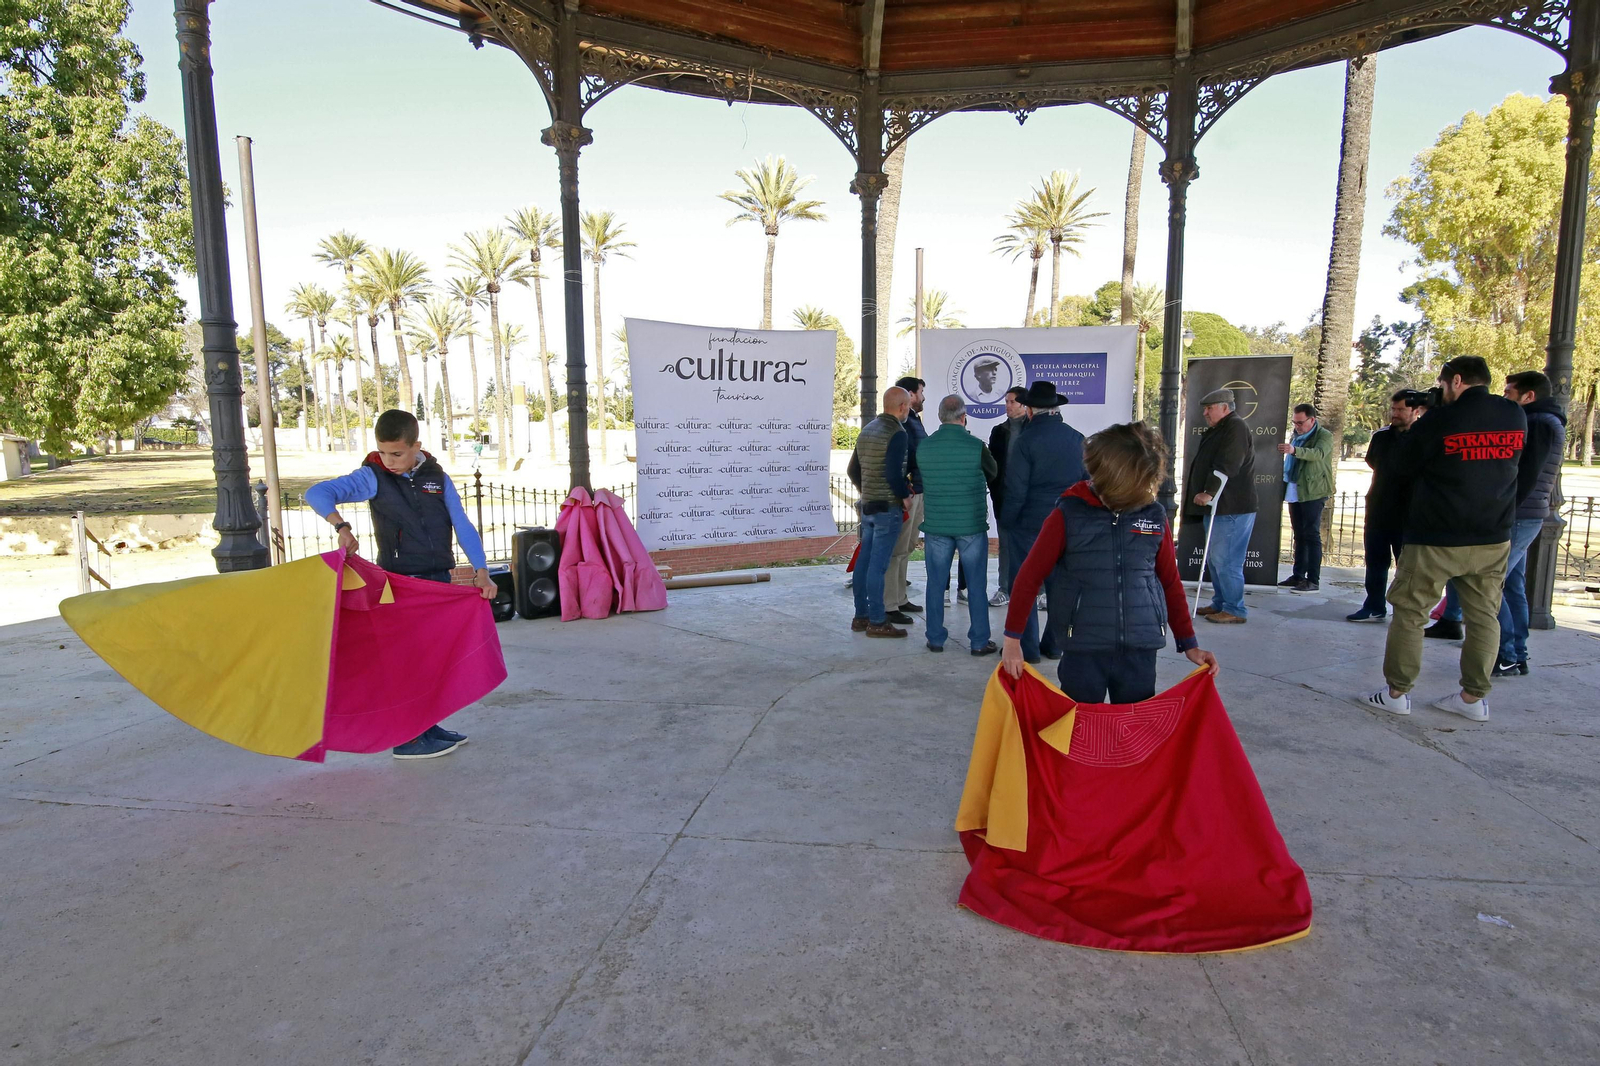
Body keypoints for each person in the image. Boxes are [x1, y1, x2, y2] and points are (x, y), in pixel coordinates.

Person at [305, 408, 496, 760]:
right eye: (383, 452)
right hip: (400, 583)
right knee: (410, 662)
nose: (389, 460)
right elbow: (317, 493)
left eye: (397, 453)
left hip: (437, 581)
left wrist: (481, 569)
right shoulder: (372, 476)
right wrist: (340, 526)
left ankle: (426, 725)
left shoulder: (436, 475)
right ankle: (406, 739)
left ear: (416, 446)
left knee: (433, 659)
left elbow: (461, 522)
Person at [1001, 422, 1219, 701]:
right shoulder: (1067, 514)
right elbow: (1028, 578)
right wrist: (1012, 640)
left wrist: (1189, 644)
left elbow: (1170, 583)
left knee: (1132, 735)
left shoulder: (1154, 516)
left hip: (1140, 648)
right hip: (1083, 648)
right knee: (1080, 730)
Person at [1359, 356, 1526, 722]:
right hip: (1492, 535)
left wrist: (1423, 421)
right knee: (1484, 616)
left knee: (1411, 612)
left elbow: (1399, 466)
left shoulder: (1439, 420)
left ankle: (1397, 693)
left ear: (1457, 381)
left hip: (1437, 534)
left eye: (1442, 382)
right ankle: (1473, 698)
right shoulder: (1514, 415)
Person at [1000, 381, 1085, 663]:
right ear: (1055, 408)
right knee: (1060, 586)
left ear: (1031, 411)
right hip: (1067, 521)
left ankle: (1028, 649)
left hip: (1030, 523)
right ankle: (1055, 644)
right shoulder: (1077, 438)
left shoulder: (1025, 441)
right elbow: (1087, 484)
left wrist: (1008, 521)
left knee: (1025, 583)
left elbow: (1016, 489)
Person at [1493, 369, 1567, 677]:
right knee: (1511, 585)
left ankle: (1509, 652)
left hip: (1520, 515)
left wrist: (1504, 508)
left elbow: (1526, 474)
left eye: (1510, 391)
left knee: (1489, 583)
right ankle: (1516, 653)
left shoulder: (1536, 423)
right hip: (1530, 513)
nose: (1506, 395)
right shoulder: (1547, 421)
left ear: (1529, 396)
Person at [918, 395, 1000, 655]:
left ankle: (935, 638)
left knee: (935, 582)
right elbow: (993, 473)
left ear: (941, 417)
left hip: (937, 525)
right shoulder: (976, 446)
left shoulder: (925, 447)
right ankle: (978, 641)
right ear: (964, 418)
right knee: (976, 584)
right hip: (971, 525)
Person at [1348, 389, 1427, 622]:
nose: (1395, 413)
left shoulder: (1422, 436)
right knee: (1375, 562)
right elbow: (1373, 461)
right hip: (1379, 508)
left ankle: (1405, 609)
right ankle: (1374, 604)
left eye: (1401, 409)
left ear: (1416, 410)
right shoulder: (1381, 436)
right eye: (1393, 408)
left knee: (1407, 565)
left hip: (1409, 512)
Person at [1181, 388, 1258, 624]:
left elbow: (1228, 463)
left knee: (1226, 560)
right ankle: (1221, 602)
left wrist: (1209, 492)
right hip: (1220, 507)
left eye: (1209, 408)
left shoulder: (1235, 427)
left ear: (1225, 407)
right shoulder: (1220, 428)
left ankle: (1235, 608)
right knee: (1215, 559)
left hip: (1231, 506)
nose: (1205, 412)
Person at [847, 386, 913, 638]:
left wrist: (868, 491)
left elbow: (853, 470)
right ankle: (877, 620)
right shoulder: (896, 432)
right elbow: (894, 473)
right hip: (887, 508)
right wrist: (905, 496)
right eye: (907, 405)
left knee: (864, 562)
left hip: (869, 506)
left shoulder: (867, 430)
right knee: (878, 565)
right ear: (903, 407)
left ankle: (860, 616)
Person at [884, 376, 928, 623]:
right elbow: (903, 461)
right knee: (898, 549)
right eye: (921, 392)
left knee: (907, 547)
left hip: (919, 490)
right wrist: (905, 492)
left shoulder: (913, 420)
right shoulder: (900, 426)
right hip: (910, 493)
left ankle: (900, 597)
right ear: (909, 395)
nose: (923, 397)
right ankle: (890, 604)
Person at [1278, 402, 1334, 592]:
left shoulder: (1324, 436)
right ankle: (1298, 575)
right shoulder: (1296, 436)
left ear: (1312, 420)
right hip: (1295, 489)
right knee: (1299, 535)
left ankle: (1313, 579)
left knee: (1311, 534)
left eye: (1300, 423)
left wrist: (1295, 451)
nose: (1297, 426)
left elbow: (1318, 454)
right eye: (1294, 422)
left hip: (1313, 491)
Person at [986, 386, 1030, 607]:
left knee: (1033, 544)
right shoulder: (999, 431)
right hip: (1005, 497)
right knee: (1006, 544)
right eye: (1006, 402)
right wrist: (996, 491)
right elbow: (993, 466)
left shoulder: (1035, 429)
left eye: (1012, 402)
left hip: (1031, 499)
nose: (1008, 406)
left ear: (1024, 404)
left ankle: (1037, 590)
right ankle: (1005, 588)